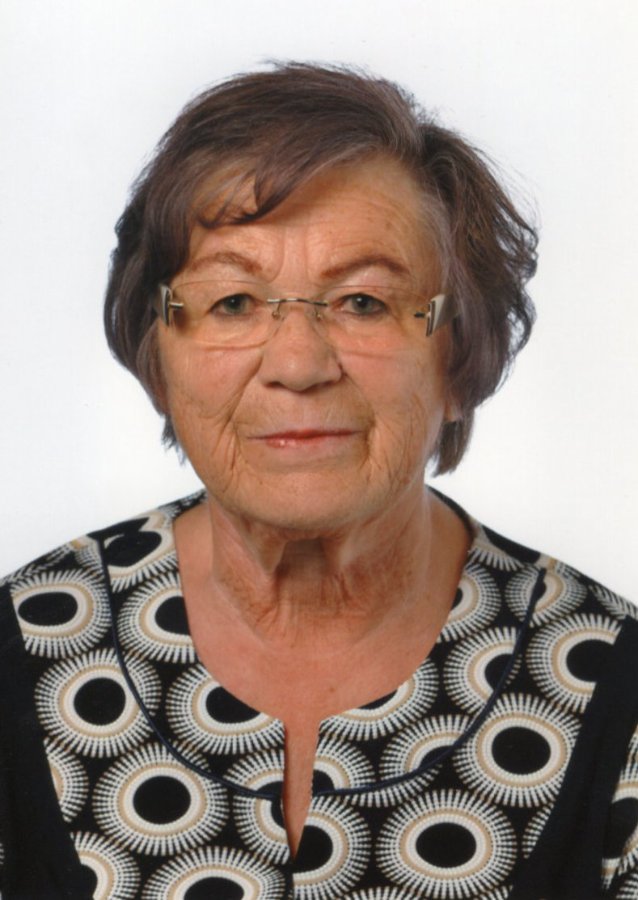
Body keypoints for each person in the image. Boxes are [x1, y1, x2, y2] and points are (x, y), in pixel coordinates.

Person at [1, 63, 636, 900]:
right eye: (233, 302)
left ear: (460, 361)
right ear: (158, 358)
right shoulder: (21, 652)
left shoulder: (615, 690)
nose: (298, 364)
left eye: (364, 302)